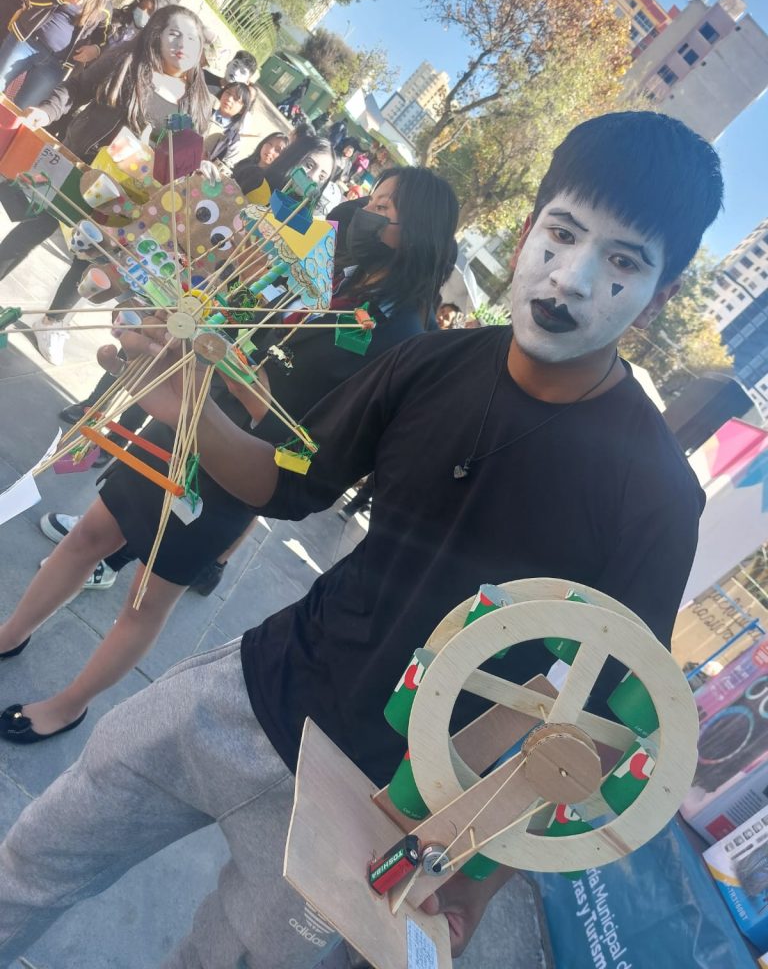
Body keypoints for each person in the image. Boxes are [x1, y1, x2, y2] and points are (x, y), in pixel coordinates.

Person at [0, 112, 723, 966]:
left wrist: (475, 877)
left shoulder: (657, 495)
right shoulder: (431, 364)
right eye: (562, 235)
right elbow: (289, 483)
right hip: (255, 688)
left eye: (624, 263)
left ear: (660, 294)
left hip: (386, 813)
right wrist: (190, 401)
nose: (572, 278)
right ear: (530, 228)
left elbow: (604, 719)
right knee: (31, 861)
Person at [0, 165, 457, 745]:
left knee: (146, 597)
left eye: (384, 209)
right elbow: (251, 333)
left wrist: (236, 377)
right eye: (371, 199)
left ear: (419, 232)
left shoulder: (404, 341)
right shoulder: (329, 276)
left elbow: (324, 444)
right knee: (90, 535)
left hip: (239, 468)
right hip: (187, 418)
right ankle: (10, 634)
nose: (365, 214)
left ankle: (67, 706)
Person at [0, 4, 212, 365]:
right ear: (157, 33)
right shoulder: (127, 62)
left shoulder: (196, 104)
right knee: (36, 226)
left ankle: (53, 321)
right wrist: (46, 112)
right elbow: (77, 88)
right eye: (174, 33)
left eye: (191, 39)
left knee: (92, 259)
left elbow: (184, 160)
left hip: (128, 195)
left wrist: (199, 169)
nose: (182, 44)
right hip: (80, 165)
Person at [0, 0, 120, 107]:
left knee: (23, 109)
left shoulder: (105, 6)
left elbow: (103, 39)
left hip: (55, 65)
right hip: (25, 42)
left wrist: (96, 49)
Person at [205, 79, 252, 166]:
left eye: (236, 99)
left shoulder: (233, 139)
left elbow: (225, 164)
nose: (229, 99)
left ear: (242, 110)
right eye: (228, 93)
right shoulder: (203, 109)